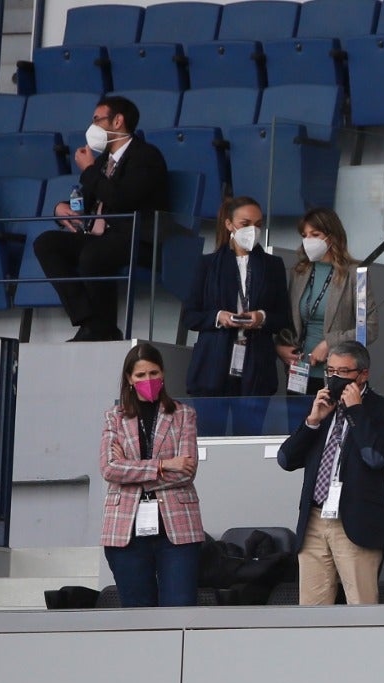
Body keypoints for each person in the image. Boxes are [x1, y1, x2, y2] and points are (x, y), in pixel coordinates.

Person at [34, 95, 170, 341]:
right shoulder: (103, 161)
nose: (93, 126)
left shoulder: (146, 156)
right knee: (46, 243)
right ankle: (88, 320)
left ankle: (102, 328)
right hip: (101, 236)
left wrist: (88, 170)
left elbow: (120, 200)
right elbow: (87, 199)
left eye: (97, 119)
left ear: (118, 121)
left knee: (94, 254)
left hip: (137, 237)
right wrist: (61, 209)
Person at [276, 341, 384, 605]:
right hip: (313, 518)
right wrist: (313, 421)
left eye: (343, 372)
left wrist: (355, 410)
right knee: (312, 610)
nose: (335, 379)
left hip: (354, 521)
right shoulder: (323, 406)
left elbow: (375, 458)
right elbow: (286, 459)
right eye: (330, 371)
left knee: (361, 605)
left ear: (363, 374)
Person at [99, 343, 202, 607]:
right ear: (129, 379)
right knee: (137, 613)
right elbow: (110, 469)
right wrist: (164, 465)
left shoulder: (184, 415)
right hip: (126, 529)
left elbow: (186, 473)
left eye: (154, 373)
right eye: (141, 375)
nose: (148, 380)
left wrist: (129, 469)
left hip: (176, 528)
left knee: (179, 609)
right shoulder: (115, 417)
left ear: (163, 374)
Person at [183, 196, 293, 397]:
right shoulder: (207, 264)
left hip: (257, 363)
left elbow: (283, 316)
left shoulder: (273, 265)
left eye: (258, 224)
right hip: (214, 363)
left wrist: (261, 317)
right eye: (245, 224)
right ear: (229, 224)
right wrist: (219, 317)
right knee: (212, 426)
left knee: (251, 425)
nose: (253, 230)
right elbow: (190, 316)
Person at [276, 207, 379, 397]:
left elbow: (369, 329)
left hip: (339, 375)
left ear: (331, 237)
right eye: (304, 235)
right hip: (299, 373)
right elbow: (289, 321)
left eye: (315, 234)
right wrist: (281, 347)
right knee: (301, 425)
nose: (308, 240)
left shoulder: (356, 274)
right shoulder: (299, 272)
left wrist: (329, 344)